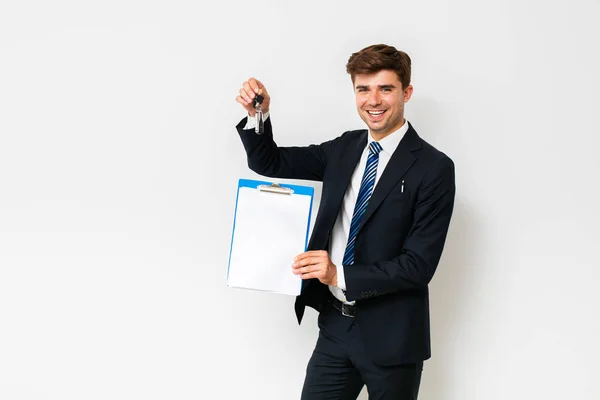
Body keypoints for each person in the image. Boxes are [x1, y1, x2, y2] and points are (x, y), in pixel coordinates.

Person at [234, 44, 455, 400]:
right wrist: (260, 114)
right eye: (363, 89)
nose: (374, 100)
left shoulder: (434, 168)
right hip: (336, 327)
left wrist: (337, 274)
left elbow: (418, 266)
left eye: (386, 88)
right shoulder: (344, 148)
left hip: (393, 337)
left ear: (406, 92)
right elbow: (270, 163)